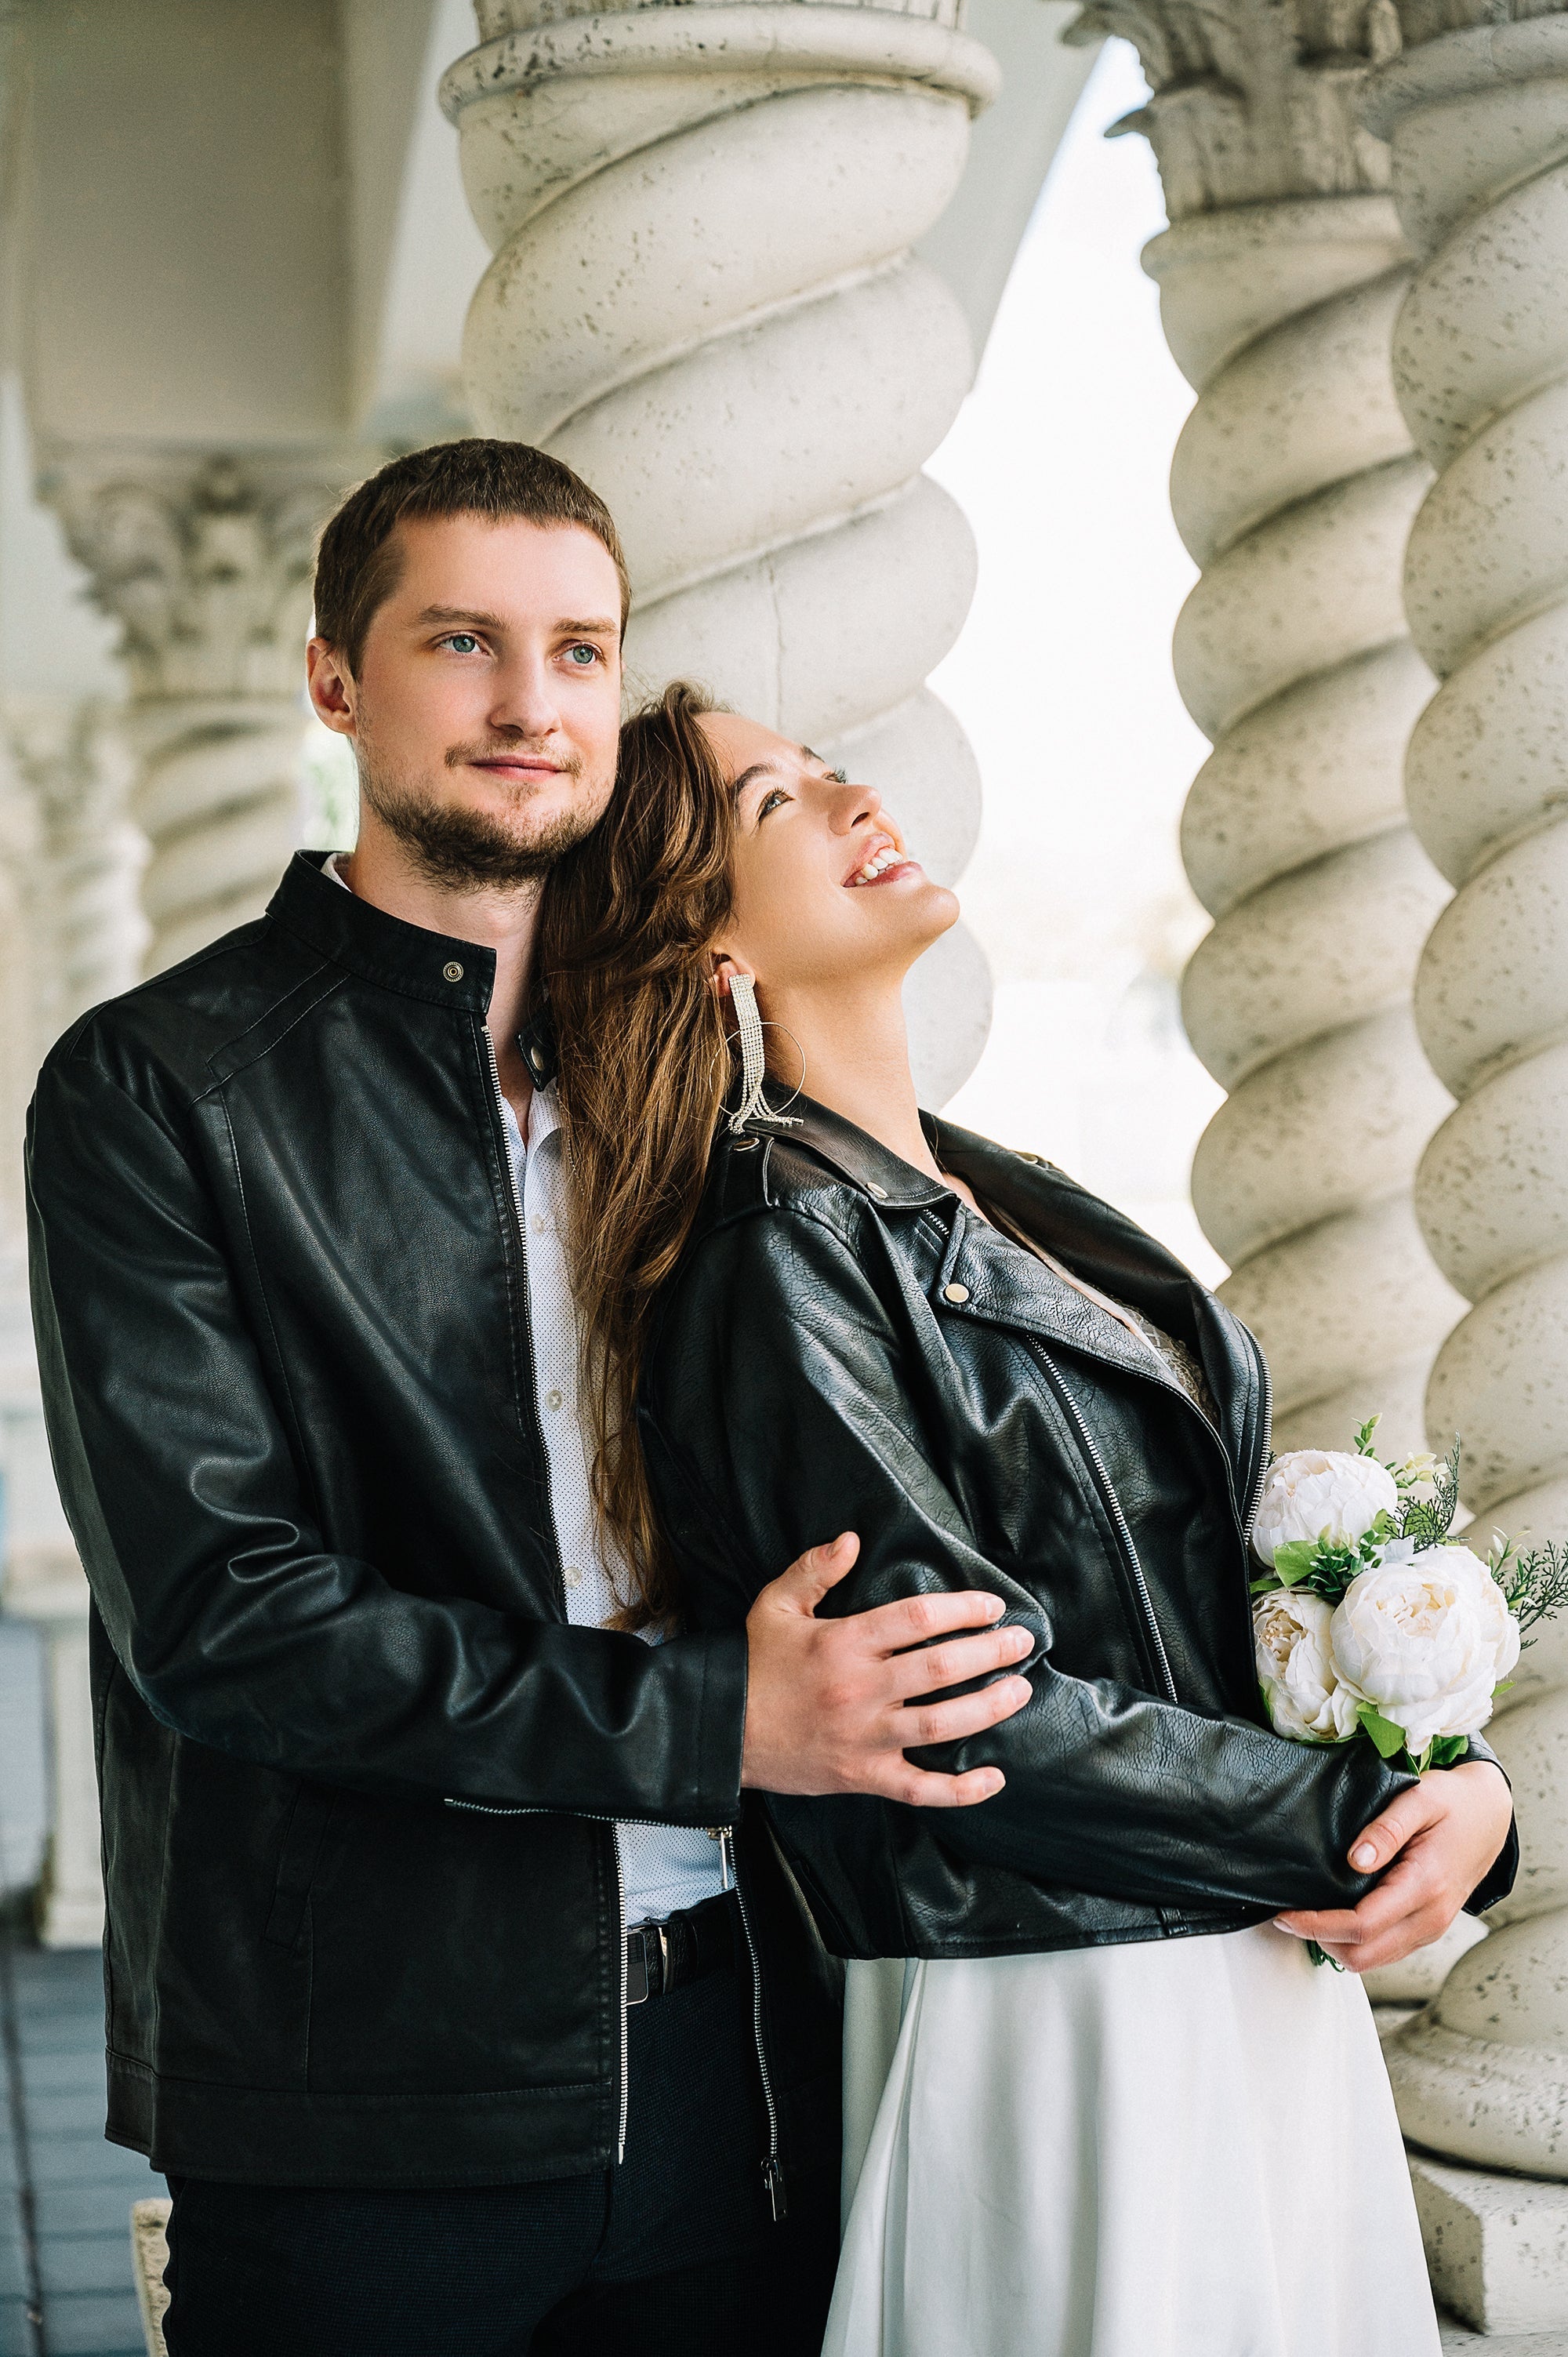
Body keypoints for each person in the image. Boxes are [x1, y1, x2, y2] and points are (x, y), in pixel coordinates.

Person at [24, 441, 1041, 2357]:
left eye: (580, 652)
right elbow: (223, 1620)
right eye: (465, 644)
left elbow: (1007, 1486)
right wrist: (722, 1721)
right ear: (338, 680)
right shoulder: (158, 1088)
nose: (529, 705)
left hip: (743, 2066)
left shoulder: (702, 1074)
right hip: (364, 2097)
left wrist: (1362, 1808)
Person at [537, 681, 1519, 2357]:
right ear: (710, 952)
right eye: (775, 805)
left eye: (832, 769)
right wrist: (1354, 1820)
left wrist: (1455, 1788)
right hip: (1063, 1995)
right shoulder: (778, 1257)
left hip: (1227, 1950)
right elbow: (957, 1704)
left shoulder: (1003, 1197)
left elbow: (1194, 1606)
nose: (853, 803)